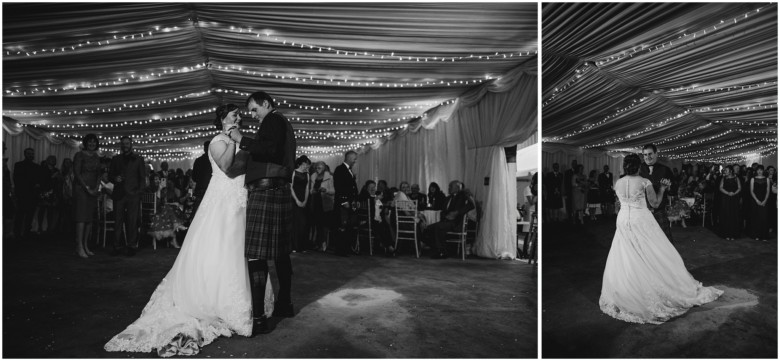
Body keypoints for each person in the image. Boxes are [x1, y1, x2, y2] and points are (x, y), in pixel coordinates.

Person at [105, 103, 267, 356]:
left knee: (238, 247)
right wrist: (235, 140)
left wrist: (243, 143)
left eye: (239, 114)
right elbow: (225, 166)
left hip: (239, 199)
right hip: (221, 200)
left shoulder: (240, 139)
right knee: (218, 245)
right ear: (223, 118)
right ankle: (210, 301)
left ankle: (240, 303)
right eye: (234, 114)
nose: (240, 116)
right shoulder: (218, 140)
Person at [599, 154, 723, 324]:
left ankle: (629, 290)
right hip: (640, 219)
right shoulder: (644, 182)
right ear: (638, 166)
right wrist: (663, 189)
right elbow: (655, 204)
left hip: (623, 220)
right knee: (651, 252)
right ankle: (650, 286)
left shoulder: (618, 182)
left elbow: (619, 203)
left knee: (627, 252)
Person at [227, 91, 296, 333]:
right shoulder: (278, 121)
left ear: (266, 104)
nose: (253, 115)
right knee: (280, 253)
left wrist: (241, 138)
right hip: (276, 190)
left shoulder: (274, 120)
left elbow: (271, 150)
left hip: (268, 190)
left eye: (255, 109)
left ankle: (259, 320)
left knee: (257, 254)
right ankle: (284, 305)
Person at [109, 136, 147, 257]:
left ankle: (131, 246)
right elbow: (110, 176)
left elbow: (142, 178)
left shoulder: (139, 159)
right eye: (123, 143)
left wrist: (139, 193)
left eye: (127, 143)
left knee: (132, 221)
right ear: (121, 145)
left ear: (131, 144)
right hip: (119, 194)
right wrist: (115, 178)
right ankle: (117, 246)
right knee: (118, 221)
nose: (125, 145)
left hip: (133, 195)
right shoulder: (115, 159)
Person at [424, 180, 475, 259]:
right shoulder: (448, 198)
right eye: (449, 186)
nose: (448, 188)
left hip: (455, 222)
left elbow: (471, 205)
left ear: (457, 188)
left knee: (439, 227)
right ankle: (439, 248)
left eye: (450, 186)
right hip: (446, 221)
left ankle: (442, 252)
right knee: (427, 229)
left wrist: (457, 212)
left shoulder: (463, 196)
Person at [638, 144, 675, 244]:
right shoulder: (638, 169)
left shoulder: (665, 170)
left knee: (665, 244)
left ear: (656, 154)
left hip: (659, 212)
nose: (647, 157)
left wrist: (669, 186)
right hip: (643, 213)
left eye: (650, 154)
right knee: (646, 244)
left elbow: (673, 191)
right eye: (645, 155)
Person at [71, 137, 101, 258]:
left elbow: (99, 174)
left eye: (94, 142)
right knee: (81, 218)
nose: (92, 143)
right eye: (90, 141)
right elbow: (77, 174)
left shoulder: (96, 157)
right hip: (81, 189)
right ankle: (79, 247)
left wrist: (96, 188)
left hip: (93, 190)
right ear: (85, 143)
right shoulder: (79, 155)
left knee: (89, 219)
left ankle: (85, 245)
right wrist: (87, 188)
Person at [332, 150, 359, 257]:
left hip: (350, 202)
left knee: (348, 226)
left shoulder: (349, 170)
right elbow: (339, 186)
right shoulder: (340, 169)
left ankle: (346, 248)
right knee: (342, 225)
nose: (355, 161)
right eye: (354, 158)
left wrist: (355, 200)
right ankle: (340, 250)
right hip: (343, 203)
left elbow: (351, 187)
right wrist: (344, 201)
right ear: (349, 158)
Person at [12, 148, 42, 241]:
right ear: (25, 154)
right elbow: (17, 179)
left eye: (32, 154)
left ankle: (26, 233)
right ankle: (17, 234)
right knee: (20, 215)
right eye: (29, 154)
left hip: (32, 194)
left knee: (30, 215)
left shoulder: (36, 166)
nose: (31, 155)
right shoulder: (19, 165)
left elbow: (38, 180)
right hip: (22, 194)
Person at [309, 161, 335, 251]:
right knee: (317, 224)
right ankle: (317, 243)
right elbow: (310, 190)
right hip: (315, 202)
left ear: (324, 168)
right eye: (316, 168)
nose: (317, 169)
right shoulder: (313, 176)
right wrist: (313, 191)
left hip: (325, 203)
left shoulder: (330, 177)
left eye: (319, 168)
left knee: (324, 225)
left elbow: (333, 191)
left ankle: (324, 243)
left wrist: (325, 190)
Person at [291, 155, 311, 253]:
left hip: (304, 198)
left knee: (304, 223)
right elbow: (290, 187)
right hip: (294, 198)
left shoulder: (307, 174)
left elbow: (308, 188)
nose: (306, 167)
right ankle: (294, 246)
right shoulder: (294, 172)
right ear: (300, 163)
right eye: (305, 164)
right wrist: (297, 200)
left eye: (307, 165)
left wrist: (305, 200)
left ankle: (303, 246)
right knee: (295, 223)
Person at [190, 141, 212, 220]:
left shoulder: (198, 160)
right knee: (210, 212)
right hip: (211, 189)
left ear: (204, 149)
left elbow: (194, 177)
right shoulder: (214, 161)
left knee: (197, 211)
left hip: (200, 189)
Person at [718, 166, 741, 240]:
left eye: (726, 170)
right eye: (725, 170)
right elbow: (720, 188)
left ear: (731, 171)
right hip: (725, 198)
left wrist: (734, 193)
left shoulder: (736, 178)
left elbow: (739, 188)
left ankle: (733, 234)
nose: (725, 171)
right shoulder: (723, 178)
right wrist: (728, 193)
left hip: (734, 198)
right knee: (726, 215)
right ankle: (726, 234)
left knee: (734, 215)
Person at [749, 165, 770, 242]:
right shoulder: (752, 179)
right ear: (756, 171)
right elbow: (751, 191)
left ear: (763, 170)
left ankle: (764, 236)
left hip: (764, 200)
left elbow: (768, 191)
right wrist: (757, 200)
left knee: (764, 218)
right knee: (756, 218)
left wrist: (765, 200)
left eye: (761, 170)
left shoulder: (767, 179)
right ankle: (756, 235)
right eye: (758, 170)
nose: (759, 171)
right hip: (755, 200)